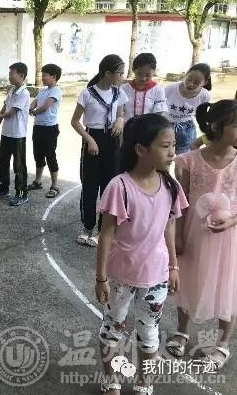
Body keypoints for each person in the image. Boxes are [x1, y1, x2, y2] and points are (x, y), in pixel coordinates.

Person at [96, 113, 187, 395]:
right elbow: (106, 234)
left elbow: (169, 226)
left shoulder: (170, 187)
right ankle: (111, 379)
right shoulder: (120, 186)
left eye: (173, 145)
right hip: (121, 276)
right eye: (165, 146)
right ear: (140, 149)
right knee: (113, 328)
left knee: (149, 334)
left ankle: (144, 383)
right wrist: (101, 278)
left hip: (156, 276)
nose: (172, 152)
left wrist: (174, 267)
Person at [166, 100, 237, 372]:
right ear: (216, 126)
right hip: (193, 234)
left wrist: (231, 221)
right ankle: (182, 332)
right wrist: (178, 235)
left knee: (228, 285)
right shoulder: (190, 160)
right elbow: (181, 202)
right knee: (188, 280)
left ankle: (222, 344)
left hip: (229, 238)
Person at [71, 54, 128, 247]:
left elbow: (121, 113)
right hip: (92, 139)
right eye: (119, 72)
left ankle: (102, 229)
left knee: (108, 187)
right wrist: (90, 140)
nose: (122, 76)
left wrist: (120, 120)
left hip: (112, 141)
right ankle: (87, 227)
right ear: (108, 73)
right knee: (89, 186)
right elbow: (75, 121)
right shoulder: (87, 94)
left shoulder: (119, 93)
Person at [0, 62, 31, 207]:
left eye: (12, 73)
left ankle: (21, 194)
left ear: (22, 75)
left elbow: (10, 113)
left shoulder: (24, 93)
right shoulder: (12, 90)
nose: (9, 76)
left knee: (19, 166)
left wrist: (0, 115)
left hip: (18, 135)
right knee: (3, 162)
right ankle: (3, 189)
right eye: (9, 73)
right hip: (6, 134)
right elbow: (3, 109)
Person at [164, 63, 212, 179]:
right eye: (189, 79)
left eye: (197, 83)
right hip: (166, 126)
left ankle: (181, 186)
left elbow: (202, 115)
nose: (190, 84)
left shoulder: (205, 95)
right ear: (185, 75)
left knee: (182, 161)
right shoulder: (170, 88)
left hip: (187, 129)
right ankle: (165, 181)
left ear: (205, 82)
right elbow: (158, 106)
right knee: (164, 157)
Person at [28, 63, 63, 198]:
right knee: (38, 154)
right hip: (38, 127)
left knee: (50, 156)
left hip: (50, 128)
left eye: (45, 75)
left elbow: (45, 106)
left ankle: (55, 186)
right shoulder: (43, 90)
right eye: (42, 75)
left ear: (53, 76)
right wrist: (31, 107)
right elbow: (35, 102)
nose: (42, 78)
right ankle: (38, 182)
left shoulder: (56, 90)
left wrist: (34, 112)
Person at [120, 53, 167, 121]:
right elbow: (119, 112)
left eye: (148, 75)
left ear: (154, 71)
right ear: (133, 70)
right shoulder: (124, 89)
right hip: (127, 126)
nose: (143, 78)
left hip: (149, 126)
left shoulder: (158, 90)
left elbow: (158, 115)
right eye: (139, 74)